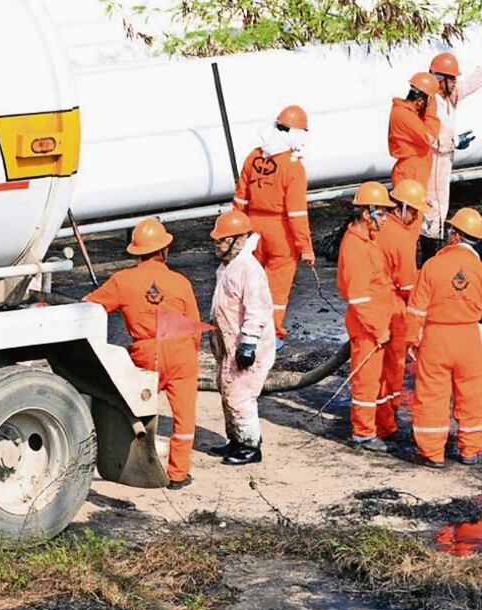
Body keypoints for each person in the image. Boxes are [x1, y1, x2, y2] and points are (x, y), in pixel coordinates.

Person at [84, 217, 201, 490]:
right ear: (163, 250)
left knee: (132, 407)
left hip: (146, 352)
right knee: (184, 416)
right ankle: (178, 474)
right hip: (182, 349)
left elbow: (89, 306)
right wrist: (188, 356)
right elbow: (194, 325)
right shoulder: (180, 282)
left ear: (136, 251)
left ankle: (129, 463)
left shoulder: (122, 281)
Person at [404, 207, 482, 468]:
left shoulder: (432, 266)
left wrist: (410, 340)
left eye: (451, 230)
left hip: (436, 339)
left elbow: (416, 309)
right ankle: (470, 452)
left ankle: (432, 454)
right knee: (471, 396)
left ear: (455, 235)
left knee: (432, 396)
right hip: (468, 341)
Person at [419, 48, 482, 261]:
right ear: (438, 78)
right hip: (432, 161)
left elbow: (472, 81)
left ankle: (432, 255)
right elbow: (431, 136)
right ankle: (428, 259)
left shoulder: (449, 94)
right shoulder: (430, 101)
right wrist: (454, 141)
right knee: (432, 209)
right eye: (451, 80)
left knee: (439, 207)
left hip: (444, 160)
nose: (454, 84)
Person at [232, 104, 314, 348]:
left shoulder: (254, 156)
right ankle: (270, 335)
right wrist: (305, 247)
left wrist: (237, 235)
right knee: (276, 289)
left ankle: (245, 332)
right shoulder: (293, 166)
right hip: (281, 231)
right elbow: (297, 212)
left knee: (249, 283)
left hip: (252, 228)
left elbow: (240, 199)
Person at [208, 209, 276, 465]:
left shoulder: (249, 269)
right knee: (227, 392)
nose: (217, 244)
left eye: (222, 240)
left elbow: (257, 309)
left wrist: (248, 344)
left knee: (240, 397)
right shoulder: (227, 267)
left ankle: (250, 447)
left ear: (238, 240)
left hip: (246, 348)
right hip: (229, 345)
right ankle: (236, 440)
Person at [337, 181, 395, 451]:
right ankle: (363, 433)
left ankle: (378, 426)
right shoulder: (355, 247)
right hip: (368, 326)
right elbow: (359, 298)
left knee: (377, 379)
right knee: (366, 381)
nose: (385, 218)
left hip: (376, 321)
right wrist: (377, 329)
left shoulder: (366, 240)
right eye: (382, 212)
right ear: (366, 213)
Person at [374, 179, 429, 439]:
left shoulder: (377, 226)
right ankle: (385, 424)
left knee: (373, 367)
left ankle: (374, 420)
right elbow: (407, 284)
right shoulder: (401, 238)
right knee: (393, 365)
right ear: (403, 208)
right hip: (391, 306)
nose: (417, 217)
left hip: (369, 303)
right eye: (416, 211)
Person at [388, 72, 441, 189]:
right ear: (420, 101)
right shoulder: (404, 114)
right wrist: (431, 110)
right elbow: (430, 136)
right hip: (410, 173)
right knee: (411, 207)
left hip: (414, 171)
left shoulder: (409, 113)